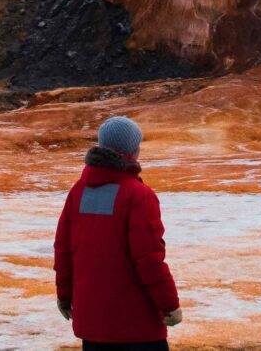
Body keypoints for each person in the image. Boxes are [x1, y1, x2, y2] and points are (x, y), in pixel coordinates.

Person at [54, 116, 182, 351]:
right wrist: (169, 304)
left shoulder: (78, 191)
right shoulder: (137, 195)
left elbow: (63, 249)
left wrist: (64, 295)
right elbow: (148, 258)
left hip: (93, 322)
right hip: (137, 327)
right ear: (133, 151)